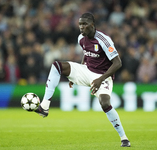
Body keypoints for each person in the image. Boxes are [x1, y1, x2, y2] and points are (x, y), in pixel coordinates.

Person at [35, 12, 130, 147]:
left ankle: (124, 138)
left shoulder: (103, 40)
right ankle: (44, 105)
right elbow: (86, 55)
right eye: (80, 24)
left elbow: (117, 63)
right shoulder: (81, 38)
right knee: (56, 66)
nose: (81, 27)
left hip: (103, 76)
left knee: (104, 103)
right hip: (86, 70)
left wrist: (100, 79)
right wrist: (76, 74)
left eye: (84, 24)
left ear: (92, 25)